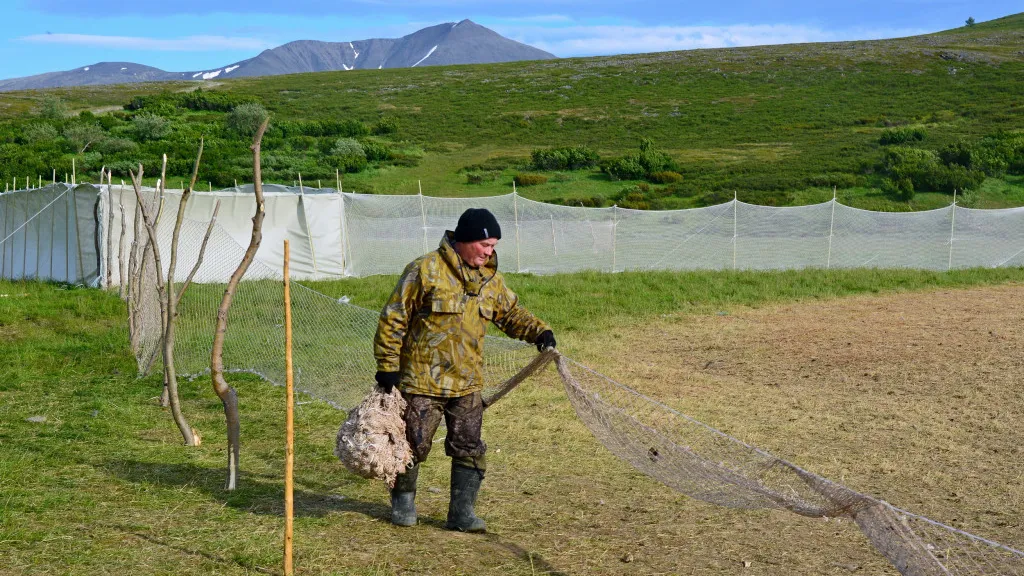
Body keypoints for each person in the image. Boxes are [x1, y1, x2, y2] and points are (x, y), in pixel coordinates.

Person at [373, 207, 556, 532]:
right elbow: (394, 318)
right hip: (421, 382)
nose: (490, 252)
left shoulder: (490, 281)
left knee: (470, 449)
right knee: (411, 447)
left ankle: (461, 514)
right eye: (485, 245)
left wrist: (539, 332)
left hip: (468, 385)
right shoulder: (424, 270)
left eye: (493, 246)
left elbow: (511, 314)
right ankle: (403, 506)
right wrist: (387, 367)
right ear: (466, 240)